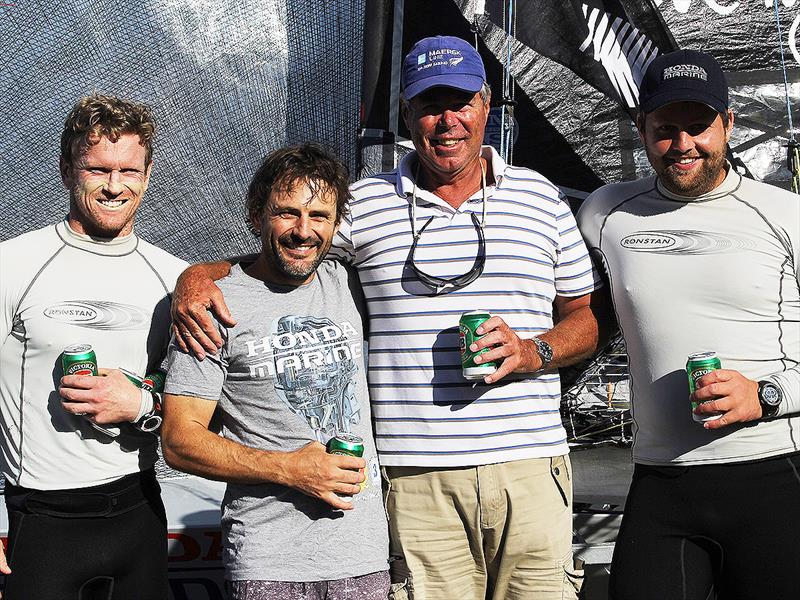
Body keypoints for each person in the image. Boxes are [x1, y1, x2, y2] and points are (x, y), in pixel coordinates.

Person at [171, 37, 602, 600]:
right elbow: (291, 243)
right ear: (407, 114)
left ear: (486, 104)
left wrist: (530, 352)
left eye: (461, 102)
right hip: (414, 479)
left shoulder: (540, 199)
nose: (447, 121)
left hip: (527, 468)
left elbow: (586, 319)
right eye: (429, 105)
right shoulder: (367, 204)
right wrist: (198, 276)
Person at [577, 49, 800, 599]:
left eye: (698, 127)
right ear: (641, 129)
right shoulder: (605, 213)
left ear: (727, 124)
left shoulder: (786, 213)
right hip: (663, 481)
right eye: (665, 129)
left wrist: (767, 394)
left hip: (776, 475)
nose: (683, 146)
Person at [160, 143, 390, 600]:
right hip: (269, 562)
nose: (304, 231)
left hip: (363, 555)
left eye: (320, 216)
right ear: (256, 216)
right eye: (287, 213)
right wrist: (290, 470)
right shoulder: (214, 305)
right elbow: (179, 441)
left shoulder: (352, 282)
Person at [0, 95, 186, 598]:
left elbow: (196, 402)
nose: (114, 185)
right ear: (67, 170)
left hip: (139, 511)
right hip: (41, 519)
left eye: (129, 169)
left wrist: (143, 403)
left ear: (147, 174)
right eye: (97, 169)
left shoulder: (171, 277)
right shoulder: (14, 263)